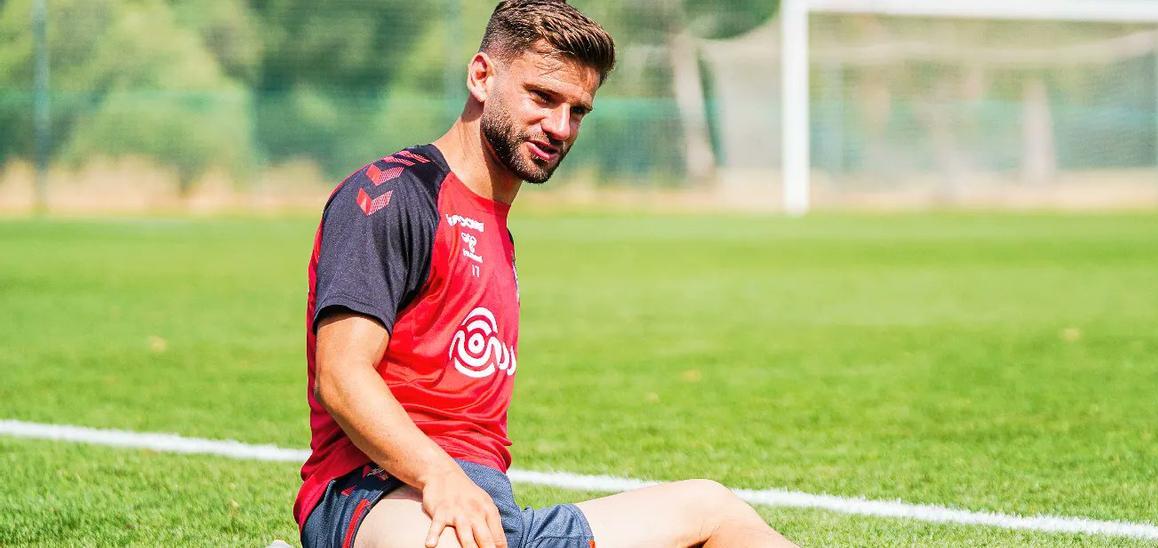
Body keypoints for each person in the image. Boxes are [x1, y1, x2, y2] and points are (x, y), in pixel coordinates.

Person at [296, 1, 798, 547]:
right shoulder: (393, 196)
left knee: (714, 509)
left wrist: (467, 490)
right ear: (482, 76)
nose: (559, 127)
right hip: (374, 491)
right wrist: (440, 476)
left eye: (577, 110)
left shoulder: (497, 231)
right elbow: (342, 377)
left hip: (489, 510)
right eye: (542, 97)